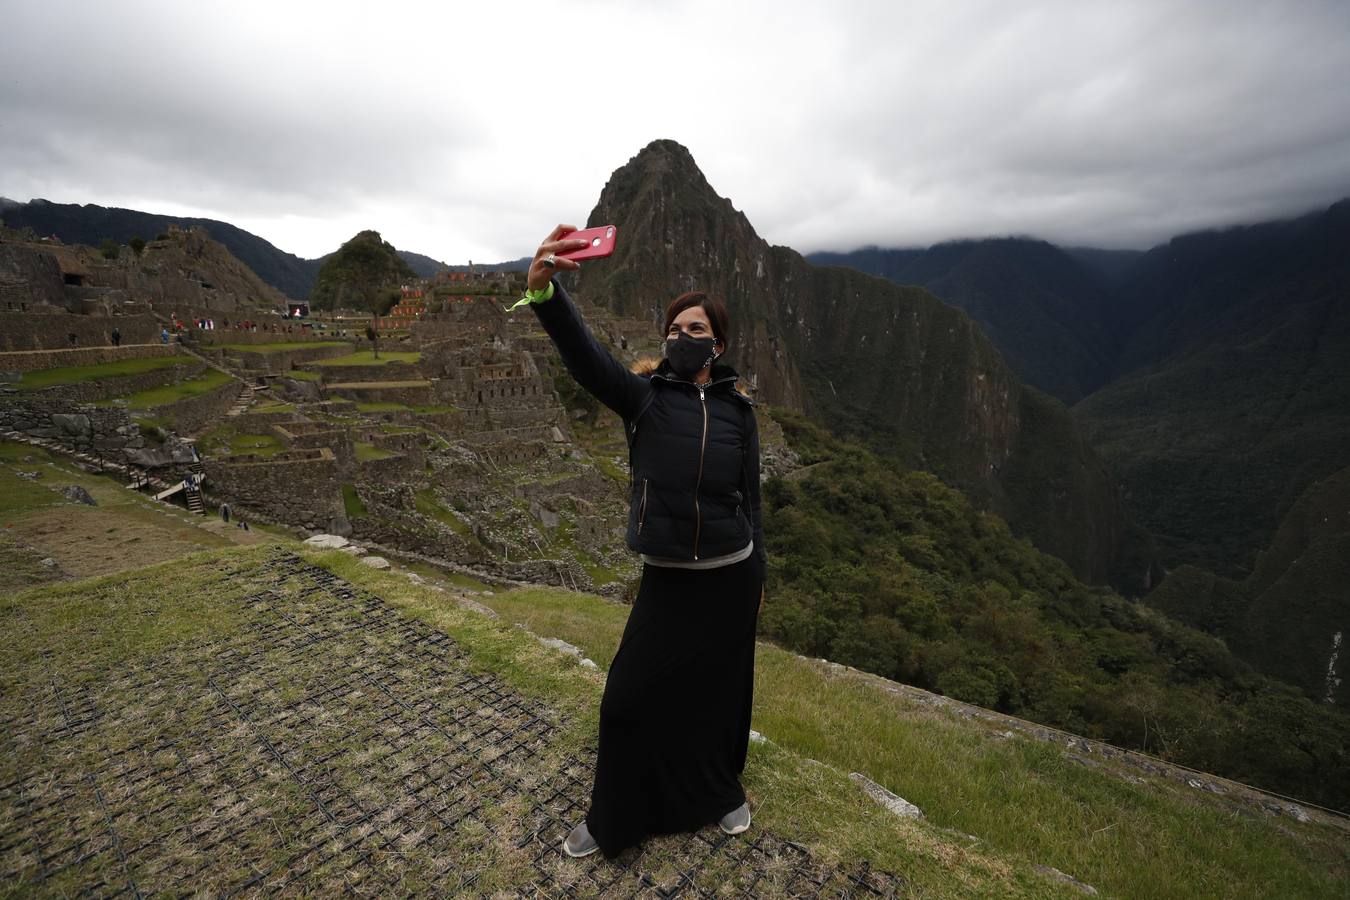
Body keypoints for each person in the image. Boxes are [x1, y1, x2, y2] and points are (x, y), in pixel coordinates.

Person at [517, 225, 766, 860]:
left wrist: (759, 577)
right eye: (676, 329)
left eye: (696, 330)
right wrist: (547, 296)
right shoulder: (645, 400)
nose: (683, 339)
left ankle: (719, 792)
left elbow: (751, 501)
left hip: (731, 573)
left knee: (718, 692)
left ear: (719, 342)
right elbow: (585, 357)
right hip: (670, 577)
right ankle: (614, 817)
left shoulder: (740, 412)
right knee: (628, 697)